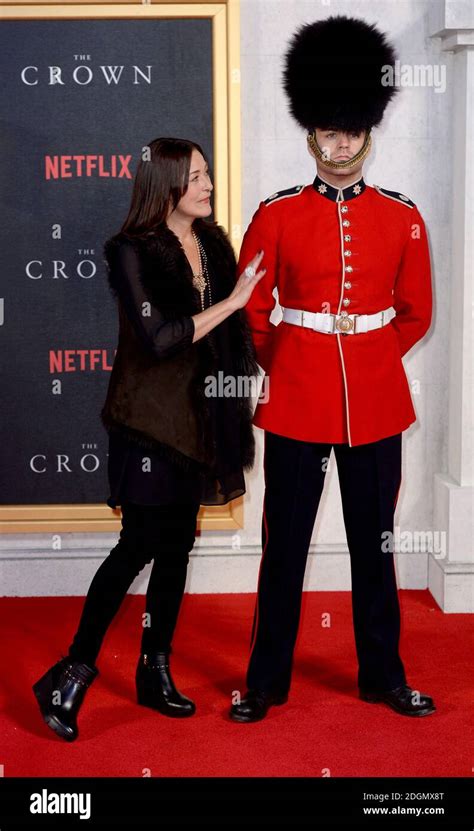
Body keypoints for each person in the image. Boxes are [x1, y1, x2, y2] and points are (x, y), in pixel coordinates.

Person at [230, 15, 436, 722]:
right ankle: (264, 682)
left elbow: (416, 312)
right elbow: (254, 315)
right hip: (295, 400)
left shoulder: (402, 217)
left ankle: (384, 677)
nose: (340, 141)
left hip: (375, 405)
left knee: (374, 549)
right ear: (311, 133)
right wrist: (292, 363)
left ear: (368, 131)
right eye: (329, 130)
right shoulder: (276, 215)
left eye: (350, 130)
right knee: (283, 547)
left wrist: (369, 357)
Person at [32, 137, 265, 741]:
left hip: (199, 421)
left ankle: (152, 669)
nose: (209, 185)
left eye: (208, 173)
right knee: (137, 543)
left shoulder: (214, 245)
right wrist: (235, 301)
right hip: (146, 421)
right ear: (166, 186)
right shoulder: (130, 251)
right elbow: (160, 339)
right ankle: (71, 673)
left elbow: (227, 339)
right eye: (196, 177)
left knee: (179, 545)